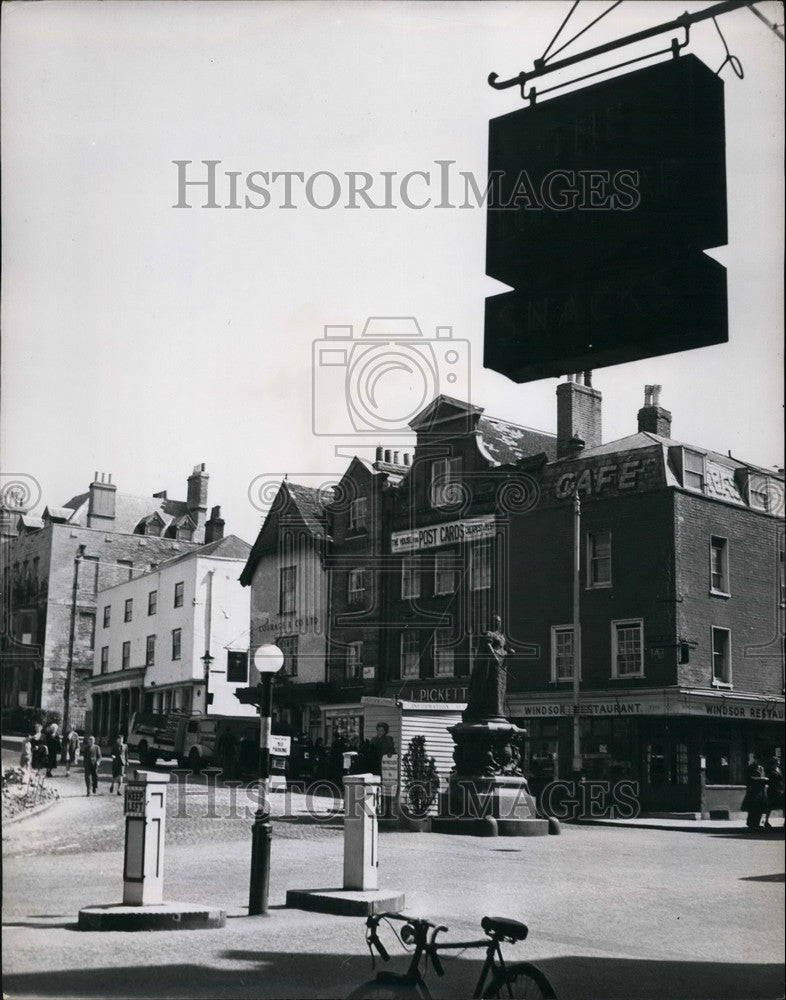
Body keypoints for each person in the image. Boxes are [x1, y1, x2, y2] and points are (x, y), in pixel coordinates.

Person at [464, 615, 515, 723]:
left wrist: (510, 652)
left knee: (500, 688)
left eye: (499, 622)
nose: (497, 623)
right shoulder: (488, 634)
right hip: (492, 665)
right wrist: (494, 656)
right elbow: (488, 645)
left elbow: (504, 648)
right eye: (495, 621)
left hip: (502, 665)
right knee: (493, 686)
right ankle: (491, 711)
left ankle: (498, 710)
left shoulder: (501, 636)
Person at [742, 758, 768, 832]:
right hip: (753, 791)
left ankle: (757, 823)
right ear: (755, 760)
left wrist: (765, 780)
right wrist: (759, 779)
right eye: (758, 759)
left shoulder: (761, 768)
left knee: (760, 807)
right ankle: (750, 823)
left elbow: (763, 776)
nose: (759, 761)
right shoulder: (750, 768)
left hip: (761, 790)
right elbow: (748, 778)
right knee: (753, 808)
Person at [763, 756, 784, 829]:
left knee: (783, 805)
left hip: (780, 789)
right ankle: (766, 821)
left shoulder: (779, 769)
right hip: (773, 789)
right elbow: (767, 779)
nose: (779, 763)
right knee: (770, 806)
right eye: (777, 762)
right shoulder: (769, 770)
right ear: (774, 762)